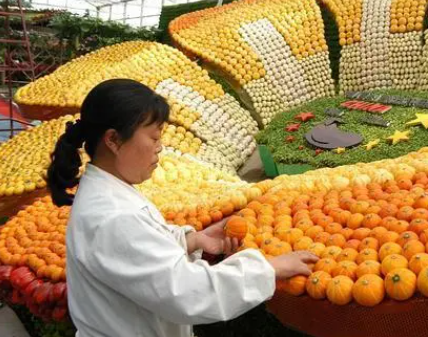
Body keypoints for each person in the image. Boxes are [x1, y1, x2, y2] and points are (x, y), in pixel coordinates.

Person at [47, 79, 318, 337]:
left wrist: (191, 240)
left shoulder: (109, 194)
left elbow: (141, 252)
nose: (159, 148)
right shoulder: (112, 217)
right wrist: (268, 269)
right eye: (154, 138)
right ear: (114, 140)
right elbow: (188, 292)